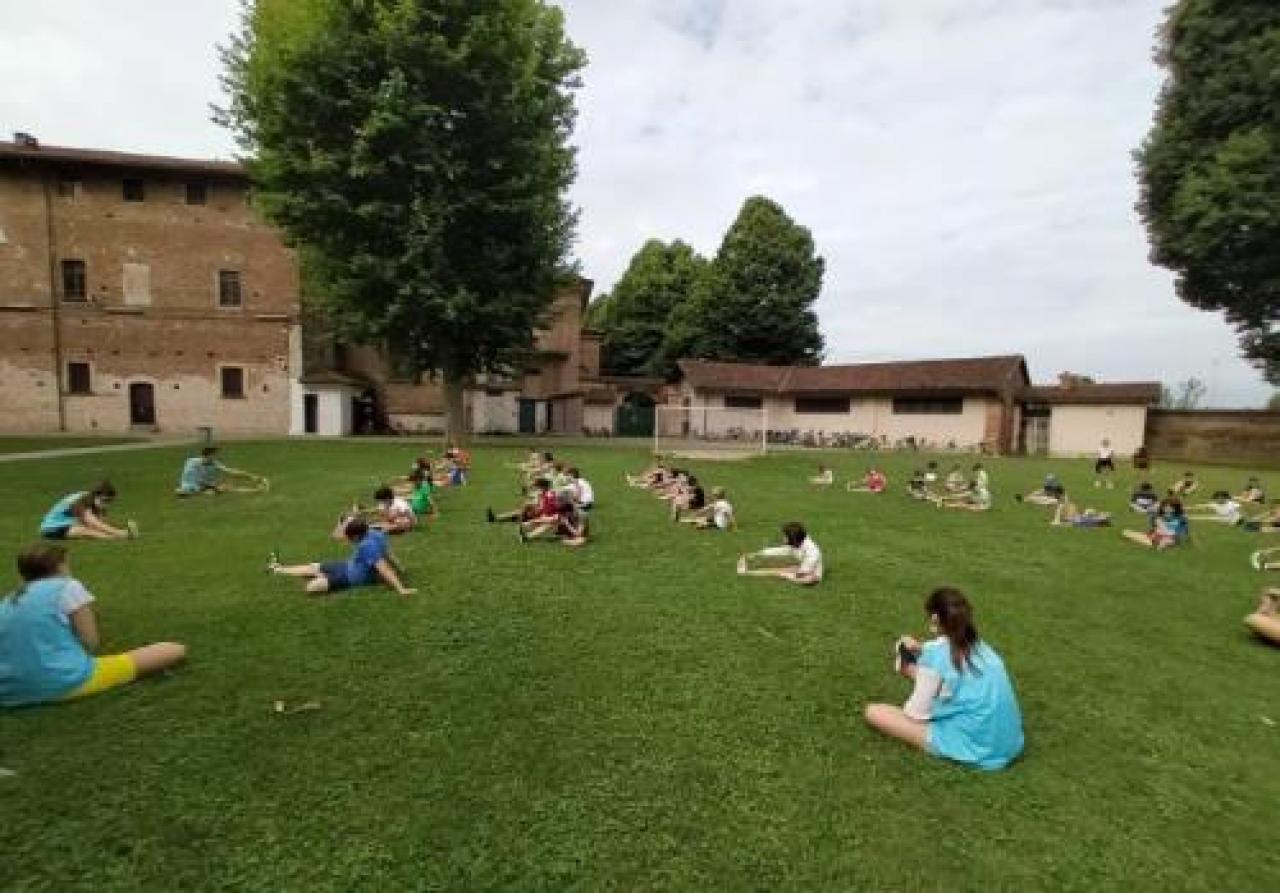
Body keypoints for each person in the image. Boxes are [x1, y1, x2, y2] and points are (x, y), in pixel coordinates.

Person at [0, 544, 186, 707]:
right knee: (173, 649)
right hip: (63, 681)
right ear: (60, 566)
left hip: (8, 692)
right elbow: (90, 642)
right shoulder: (68, 586)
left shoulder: (9, 600)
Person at [863, 587, 1024, 771]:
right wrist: (920, 651)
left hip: (978, 748)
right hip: (1009, 742)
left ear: (935, 619)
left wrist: (909, 670)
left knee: (874, 712)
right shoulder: (981, 647)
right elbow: (948, 662)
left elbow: (916, 715)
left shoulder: (938, 658)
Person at [270, 518, 415, 596]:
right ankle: (278, 568)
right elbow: (388, 553)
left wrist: (401, 589)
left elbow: (384, 568)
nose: (349, 540)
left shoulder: (367, 546)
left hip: (350, 578)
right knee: (313, 566)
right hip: (348, 565)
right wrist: (400, 567)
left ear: (356, 536)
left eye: (351, 538)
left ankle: (322, 576)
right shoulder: (374, 532)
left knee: (310, 588)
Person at [39, 482, 137, 541]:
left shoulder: (92, 501)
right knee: (84, 530)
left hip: (67, 525)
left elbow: (100, 522)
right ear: (95, 496)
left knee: (88, 529)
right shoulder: (80, 500)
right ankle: (117, 537)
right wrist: (118, 532)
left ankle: (119, 536)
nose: (106, 504)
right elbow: (92, 521)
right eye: (104, 500)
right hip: (51, 529)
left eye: (109, 501)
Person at [736, 522, 823, 585]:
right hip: (803, 569)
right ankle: (747, 572)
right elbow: (780, 551)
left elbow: (804, 571)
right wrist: (758, 554)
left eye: (785, 536)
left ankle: (747, 572)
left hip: (812, 576)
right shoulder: (797, 544)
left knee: (780, 572)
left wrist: (788, 573)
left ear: (793, 538)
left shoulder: (811, 550)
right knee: (778, 570)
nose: (783, 538)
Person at [175, 446, 267, 496]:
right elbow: (191, 478)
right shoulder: (192, 462)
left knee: (226, 487)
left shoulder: (213, 463)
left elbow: (230, 471)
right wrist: (210, 487)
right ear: (208, 455)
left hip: (201, 486)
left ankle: (256, 490)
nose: (216, 456)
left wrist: (250, 476)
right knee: (222, 489)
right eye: (214, 455)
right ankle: (257, 490)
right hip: (192, 487)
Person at [520, 494, 589, 547]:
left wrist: (567, 523)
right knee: (550, 522)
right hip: (566, 531)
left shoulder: (582, 515)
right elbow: (551, 519)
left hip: (576, 534)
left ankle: (567, 541)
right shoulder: (564, 512)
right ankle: (528, 536)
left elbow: (578, 534)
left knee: (581, 540)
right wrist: (532, 522)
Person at [1122, 498, 1189, 549]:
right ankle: (1155, 543)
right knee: (1126, 532)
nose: (1167, 508)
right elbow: (1154, 527)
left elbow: (1182, 531)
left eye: (1170, 507)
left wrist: (1178, 535)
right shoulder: (1158, 516)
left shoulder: (1180, 518)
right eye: (1165, 506)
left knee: (1166, 541)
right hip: (1156, 536)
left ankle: (1158, 544)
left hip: (1170, 537)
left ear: (1175, 508)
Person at [489, 478, 557, 525]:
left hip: (542, 514)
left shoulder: (548, 494)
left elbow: (544, 508)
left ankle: (520, 519)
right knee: (518, 511)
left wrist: (533, 507)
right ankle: (496, 518)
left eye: (538, 487)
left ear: (543, 486)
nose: (537, 488)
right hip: (537, 511)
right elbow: (537, 503)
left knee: (521, 510)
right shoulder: (542, 493)